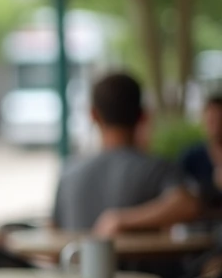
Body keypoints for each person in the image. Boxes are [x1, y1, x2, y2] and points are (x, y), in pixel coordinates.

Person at [53, 71, 200, 235]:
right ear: (142, 116)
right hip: (149, 261)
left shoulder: (68, 172)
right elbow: (188, 204)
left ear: (93, 115)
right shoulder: (158, 169)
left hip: (78, 260)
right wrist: (122, 220)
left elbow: (52, 233)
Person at [179, 93, 222, 215]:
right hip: (200, 223)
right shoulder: (191, 158)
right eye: (211, 120)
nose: (216, 126)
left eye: (220, 120)